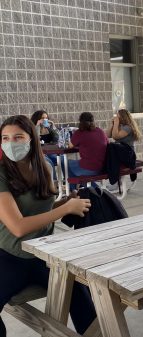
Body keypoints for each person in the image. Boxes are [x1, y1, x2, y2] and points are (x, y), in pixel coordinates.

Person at [0, 115, 96, 336]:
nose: (10, 143)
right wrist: (65, 209)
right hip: (10, 255)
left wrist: (68, 201)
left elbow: (43, 209)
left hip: (45, 254)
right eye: (5, 138)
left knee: (85, 299)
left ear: (31, 139)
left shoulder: (44, 167)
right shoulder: (2, 173)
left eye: (18, 137)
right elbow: (18, 227)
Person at [68, 112, 109, 191]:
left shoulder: (79, 133)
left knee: (66, 164)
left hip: (90, 168)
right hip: (103, 167)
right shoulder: (100, 131)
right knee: (75, 168)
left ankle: (73, 190)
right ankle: (79, 188)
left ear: (80, 121)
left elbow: (70, 146)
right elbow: (107, 143)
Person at [31, 110, 59, 178]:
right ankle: (53, 183)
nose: (45, 120)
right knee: (49, 163)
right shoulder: (32, 129)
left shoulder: (48, 129)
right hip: (39, 153)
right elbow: (35, 138)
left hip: (50, 152)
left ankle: (66, 184)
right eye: (42, 118)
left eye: (46, 118)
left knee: (62, 160)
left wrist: (52, 126)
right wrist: (37, 125)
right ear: (37, 119)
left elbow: (57, 138)